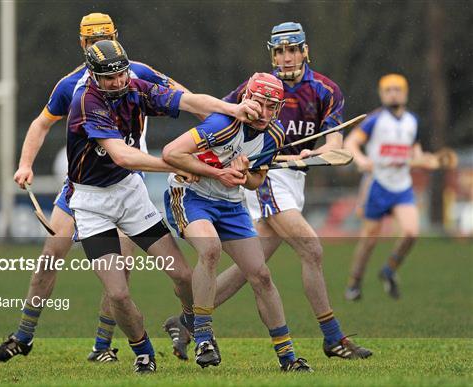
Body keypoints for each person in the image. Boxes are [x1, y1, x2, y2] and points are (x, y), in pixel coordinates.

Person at [0, 12, 198, 364]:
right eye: (90, 39)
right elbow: (40, 125)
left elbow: (183, 96)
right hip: (81, 187)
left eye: (105, 37)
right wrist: (25, 163)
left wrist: (211, 136)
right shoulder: (70, 86)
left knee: (122, 270)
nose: (97, 44)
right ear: (82, 44)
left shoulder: (136, 72)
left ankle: (103, 347)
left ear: (117, 37)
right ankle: (23, 337)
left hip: (128, 182)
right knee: (50, 257)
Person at [165, 21, 372, 360]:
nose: (286, 58)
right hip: (266, 179)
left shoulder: (325, 90)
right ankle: (332, 338)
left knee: (254, 271)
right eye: (279, 51)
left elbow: (336, 142)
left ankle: (186, 322)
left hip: (294, 177)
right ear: (272, 54)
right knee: (312, 250)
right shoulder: (258, 88)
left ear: (305, 51)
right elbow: (221, 116)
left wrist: (316, 153)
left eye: (293, 50)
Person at [64, 40, 260, 373]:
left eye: (120, 74)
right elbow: (123, 155)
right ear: (93, 76)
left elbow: (188, 99)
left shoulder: (136, 88)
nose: (116, 82)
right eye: (107, 77)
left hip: (129, 195)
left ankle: (189, 326)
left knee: (183, 275)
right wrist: (176, 165)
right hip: (91, 204)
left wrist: (232, 109)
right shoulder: (87, 101)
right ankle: (143, 351)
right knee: (118, 293)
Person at [163, 72, 312, 372]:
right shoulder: (222, 123)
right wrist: (220, 172)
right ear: (246, 98)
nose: (265, 113)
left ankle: (288, 358)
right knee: (210, 250)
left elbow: (256, 180)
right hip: (191, 195)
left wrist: (244, 175)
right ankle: (204, 338)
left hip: (231, 205)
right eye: (260, 104)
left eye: (273, 107)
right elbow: (171, 153)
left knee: (260, 275)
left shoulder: (276, 135)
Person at [344, 74, 433, 301]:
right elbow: (351, 142)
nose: (393, 93)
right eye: (388, 90)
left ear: (405, 93)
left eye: (397, 89)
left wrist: (427, 160)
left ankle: (388, 270)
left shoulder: (413, 121)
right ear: (382, 94)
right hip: (377, 185)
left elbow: (416, 153)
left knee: (412, 232)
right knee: (369, 240)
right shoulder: (375, 120)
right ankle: (354, 283)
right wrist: (362, 161)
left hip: (402, 186)